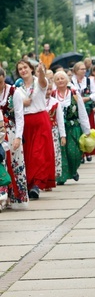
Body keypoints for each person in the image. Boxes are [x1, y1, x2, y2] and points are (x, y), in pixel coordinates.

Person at [16, 60, 55, 199]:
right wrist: (21, 102)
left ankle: (37, 185)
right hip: (25, 123)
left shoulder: (39, 81)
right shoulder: (18, 87)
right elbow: (14, 104)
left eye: (25, 67)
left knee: (39, 153)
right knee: (28, 154)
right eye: (20, 69)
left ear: (31, 69)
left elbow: (44, 83)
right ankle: (29, 183)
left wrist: (42, 72)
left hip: (40, 120)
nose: (23, 70)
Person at [52, 71, 91, 185]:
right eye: (57, 79)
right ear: (55, 81)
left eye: (62, 78)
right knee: (61, 153)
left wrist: (86, 129)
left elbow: (82, 111)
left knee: (74, 153)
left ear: (67, 80)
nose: (60, 81)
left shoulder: (74, 93)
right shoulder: (53, 94)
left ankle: (73, 170)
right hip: (58, 128)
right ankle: (61, 177)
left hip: (73, 127)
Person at [0, 67, 28, 208]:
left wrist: (18, 137)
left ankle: (15, 198)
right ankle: (2, 199)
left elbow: (19, 116)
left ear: (4, 78)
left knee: (14, 164)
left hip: (11, 133)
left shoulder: (13, 92)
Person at [71, 62, 95, 162]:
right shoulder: (71, 81)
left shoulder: (89, 81)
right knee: (78, 131)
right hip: (75, 110)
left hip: (87, 109)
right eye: (81, 69)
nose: (83, 71)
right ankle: (81, 154)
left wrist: (87, 98)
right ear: (76, 70)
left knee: (88, 130)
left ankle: (88, 152)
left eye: (84, 69)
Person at [45, 80, 65, 184]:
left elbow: (60, 120)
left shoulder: (55, 102)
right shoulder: (37, 102)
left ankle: (53, 175)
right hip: (42, 131)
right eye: (46, 89)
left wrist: (63, 135)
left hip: (53, 131)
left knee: (54, 153)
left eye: (49, 89)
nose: (48, 91)